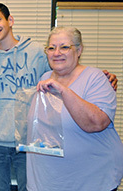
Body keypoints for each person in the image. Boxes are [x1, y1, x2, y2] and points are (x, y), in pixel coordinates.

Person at [0, 3, 118, 191]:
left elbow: (65, 70)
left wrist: (100, 77)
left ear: (10, 20)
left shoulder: (38, 51)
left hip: (30, 141)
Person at [27, 26, 123, 191]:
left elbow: (96, 123)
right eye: (51, 48)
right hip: (46, 180)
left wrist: (63, 90)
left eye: (64, 47)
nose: (57, 53)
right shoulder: (44, 78)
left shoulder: (95, 78)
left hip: (91, 181)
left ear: (79, 50)